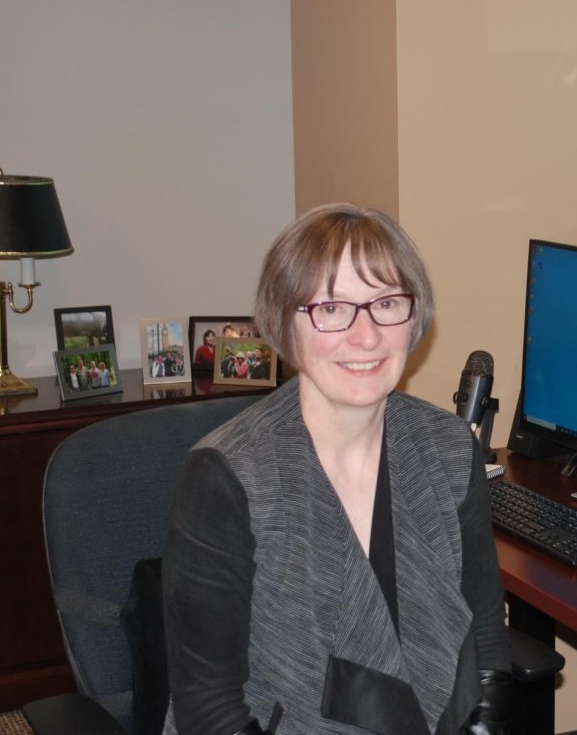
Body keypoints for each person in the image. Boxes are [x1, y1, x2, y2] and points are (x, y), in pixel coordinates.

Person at [162, 204, 511, 735]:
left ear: (413, 317)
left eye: (387, 303)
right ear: (285, 322)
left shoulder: (447, 449)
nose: (366, 337)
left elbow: (483, 639)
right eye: (331, 309)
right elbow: (207, 707)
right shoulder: (228, 476)